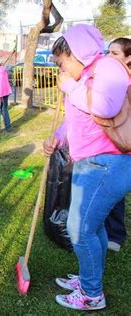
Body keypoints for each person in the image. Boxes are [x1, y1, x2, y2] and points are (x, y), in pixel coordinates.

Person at [43, 24, 130, 311]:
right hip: (90, 163)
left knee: (80, 230)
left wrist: (69, 86)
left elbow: (104, 108)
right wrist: (57, 138)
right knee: (92, 228)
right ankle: (87, 279)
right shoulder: (86, 76)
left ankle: (92, 294)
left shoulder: (107, 67)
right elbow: (77, 120)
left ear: (77, 53)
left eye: (63, 61)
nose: (62, 68)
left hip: (107, 164)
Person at [104, 37, 131, 252]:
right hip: (108, 143)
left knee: (116, 192)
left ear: (128, 58)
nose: (109, 57)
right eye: (108, 52)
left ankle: (116, 234)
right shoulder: (109, 77)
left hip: (124, 145)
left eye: (115, 53)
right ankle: (106, 229)